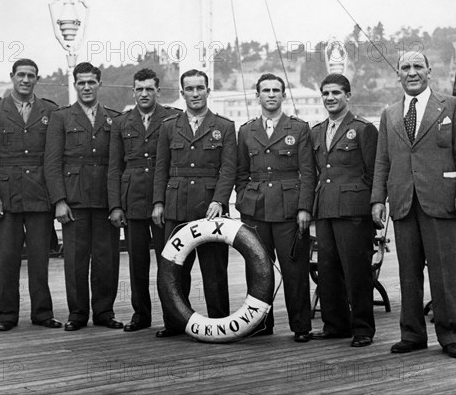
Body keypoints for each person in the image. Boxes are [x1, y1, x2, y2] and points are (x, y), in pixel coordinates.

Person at [371, 51, 456, 359]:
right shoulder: (390, 113)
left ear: (430, 70)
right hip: (403, 202)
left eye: (418, 66)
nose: (412, 72)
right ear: (398, 74)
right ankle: (412, 334)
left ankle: (451, 336)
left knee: (444, 274)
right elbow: (382, 160)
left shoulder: (452, 106)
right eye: (405, 67)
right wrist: (378, 198)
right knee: (408, 273)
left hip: (440, 201)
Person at [0, 59, 62, 331]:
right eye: (21, 75)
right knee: (8, 259)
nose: (26, 80)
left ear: (37, 80)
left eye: (31, 76)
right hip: (7, 195)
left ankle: (42, 313)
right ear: (12, 77)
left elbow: (53, 159)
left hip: (39, 195)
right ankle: (6, 315)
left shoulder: (49, 110)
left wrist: (55, 197)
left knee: (40, 259)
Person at [152, 69, 236, 337]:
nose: (195, 93)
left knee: (214, 271)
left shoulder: (224, 127)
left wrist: (219, 201)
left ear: (208, 91)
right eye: (190, 89)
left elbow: (228, 169)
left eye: (200, 88)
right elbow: (160, 169)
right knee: (175, 269)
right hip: (176, 206)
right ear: (182, 93)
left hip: (210, 209)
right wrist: (158, 203)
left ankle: (220, 321)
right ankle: (175, 322)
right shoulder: (168, 127)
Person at [235, 73, 315, 342]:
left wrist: (304, 208)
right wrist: (243, 201)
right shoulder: (246, 131)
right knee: (258, 268)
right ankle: (260, 323)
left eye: (276, 90)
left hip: (289, 210)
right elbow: (240, 173)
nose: (271, 94)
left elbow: (308, 172)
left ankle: (301, 325)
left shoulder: (299, 129)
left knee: (294, 268)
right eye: (265, 90)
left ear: (283, 95)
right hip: (255, 210)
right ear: (257, 95)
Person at [44, 62, 123, 331]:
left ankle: (104, 312)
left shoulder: (113, 118)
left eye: (91, 82)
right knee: (75, 261)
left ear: (99, 84)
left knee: (106, 259)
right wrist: (59, 201)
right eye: (81, 83)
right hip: (74, 201)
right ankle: (77, 314)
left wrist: (116, 205)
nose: (86, 87)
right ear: (74, 85)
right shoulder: (61, 117)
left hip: (104, 201)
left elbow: (116, 165)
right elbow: (52, 163)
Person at [108, 68, 180, 332]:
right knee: (137, 262)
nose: (144, 94)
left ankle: (172, 316)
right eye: (139, 89)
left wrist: (162, 199)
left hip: (163, 200)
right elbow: (114, 168)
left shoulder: (173, 118)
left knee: (168, 262)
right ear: (133, 91)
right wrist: (115, 205)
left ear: (158, 91)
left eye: (149, 89)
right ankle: (141, 315)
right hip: (134, 199)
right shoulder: (121, 123)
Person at [309, 73, 377, 347]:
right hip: (325, 208)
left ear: (348, 96)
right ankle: (335, 324)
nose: (330, 98)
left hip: (353, 211)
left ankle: (362, 328)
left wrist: (375, 207)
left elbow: (374, 173)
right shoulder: (316, 131)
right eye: (325, 93)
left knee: (356, 271)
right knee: (327, 269)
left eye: (336, 93)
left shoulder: (363, 129)